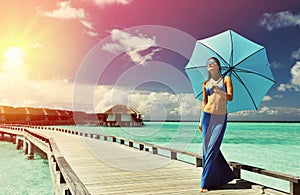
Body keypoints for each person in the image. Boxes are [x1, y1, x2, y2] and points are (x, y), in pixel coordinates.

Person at [198, 57, 235, 192]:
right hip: (207, 116)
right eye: (208, 64)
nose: (210, 65)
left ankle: (205, 182)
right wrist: (200, 120)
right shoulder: (205, 83)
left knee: (212, 147)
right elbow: (204, 102)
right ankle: (225, 175)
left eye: (213, 63)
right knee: (207, 149)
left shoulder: (226, 79)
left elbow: (230, 97)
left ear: (218, 66)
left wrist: (218, 90)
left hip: (220, 117)